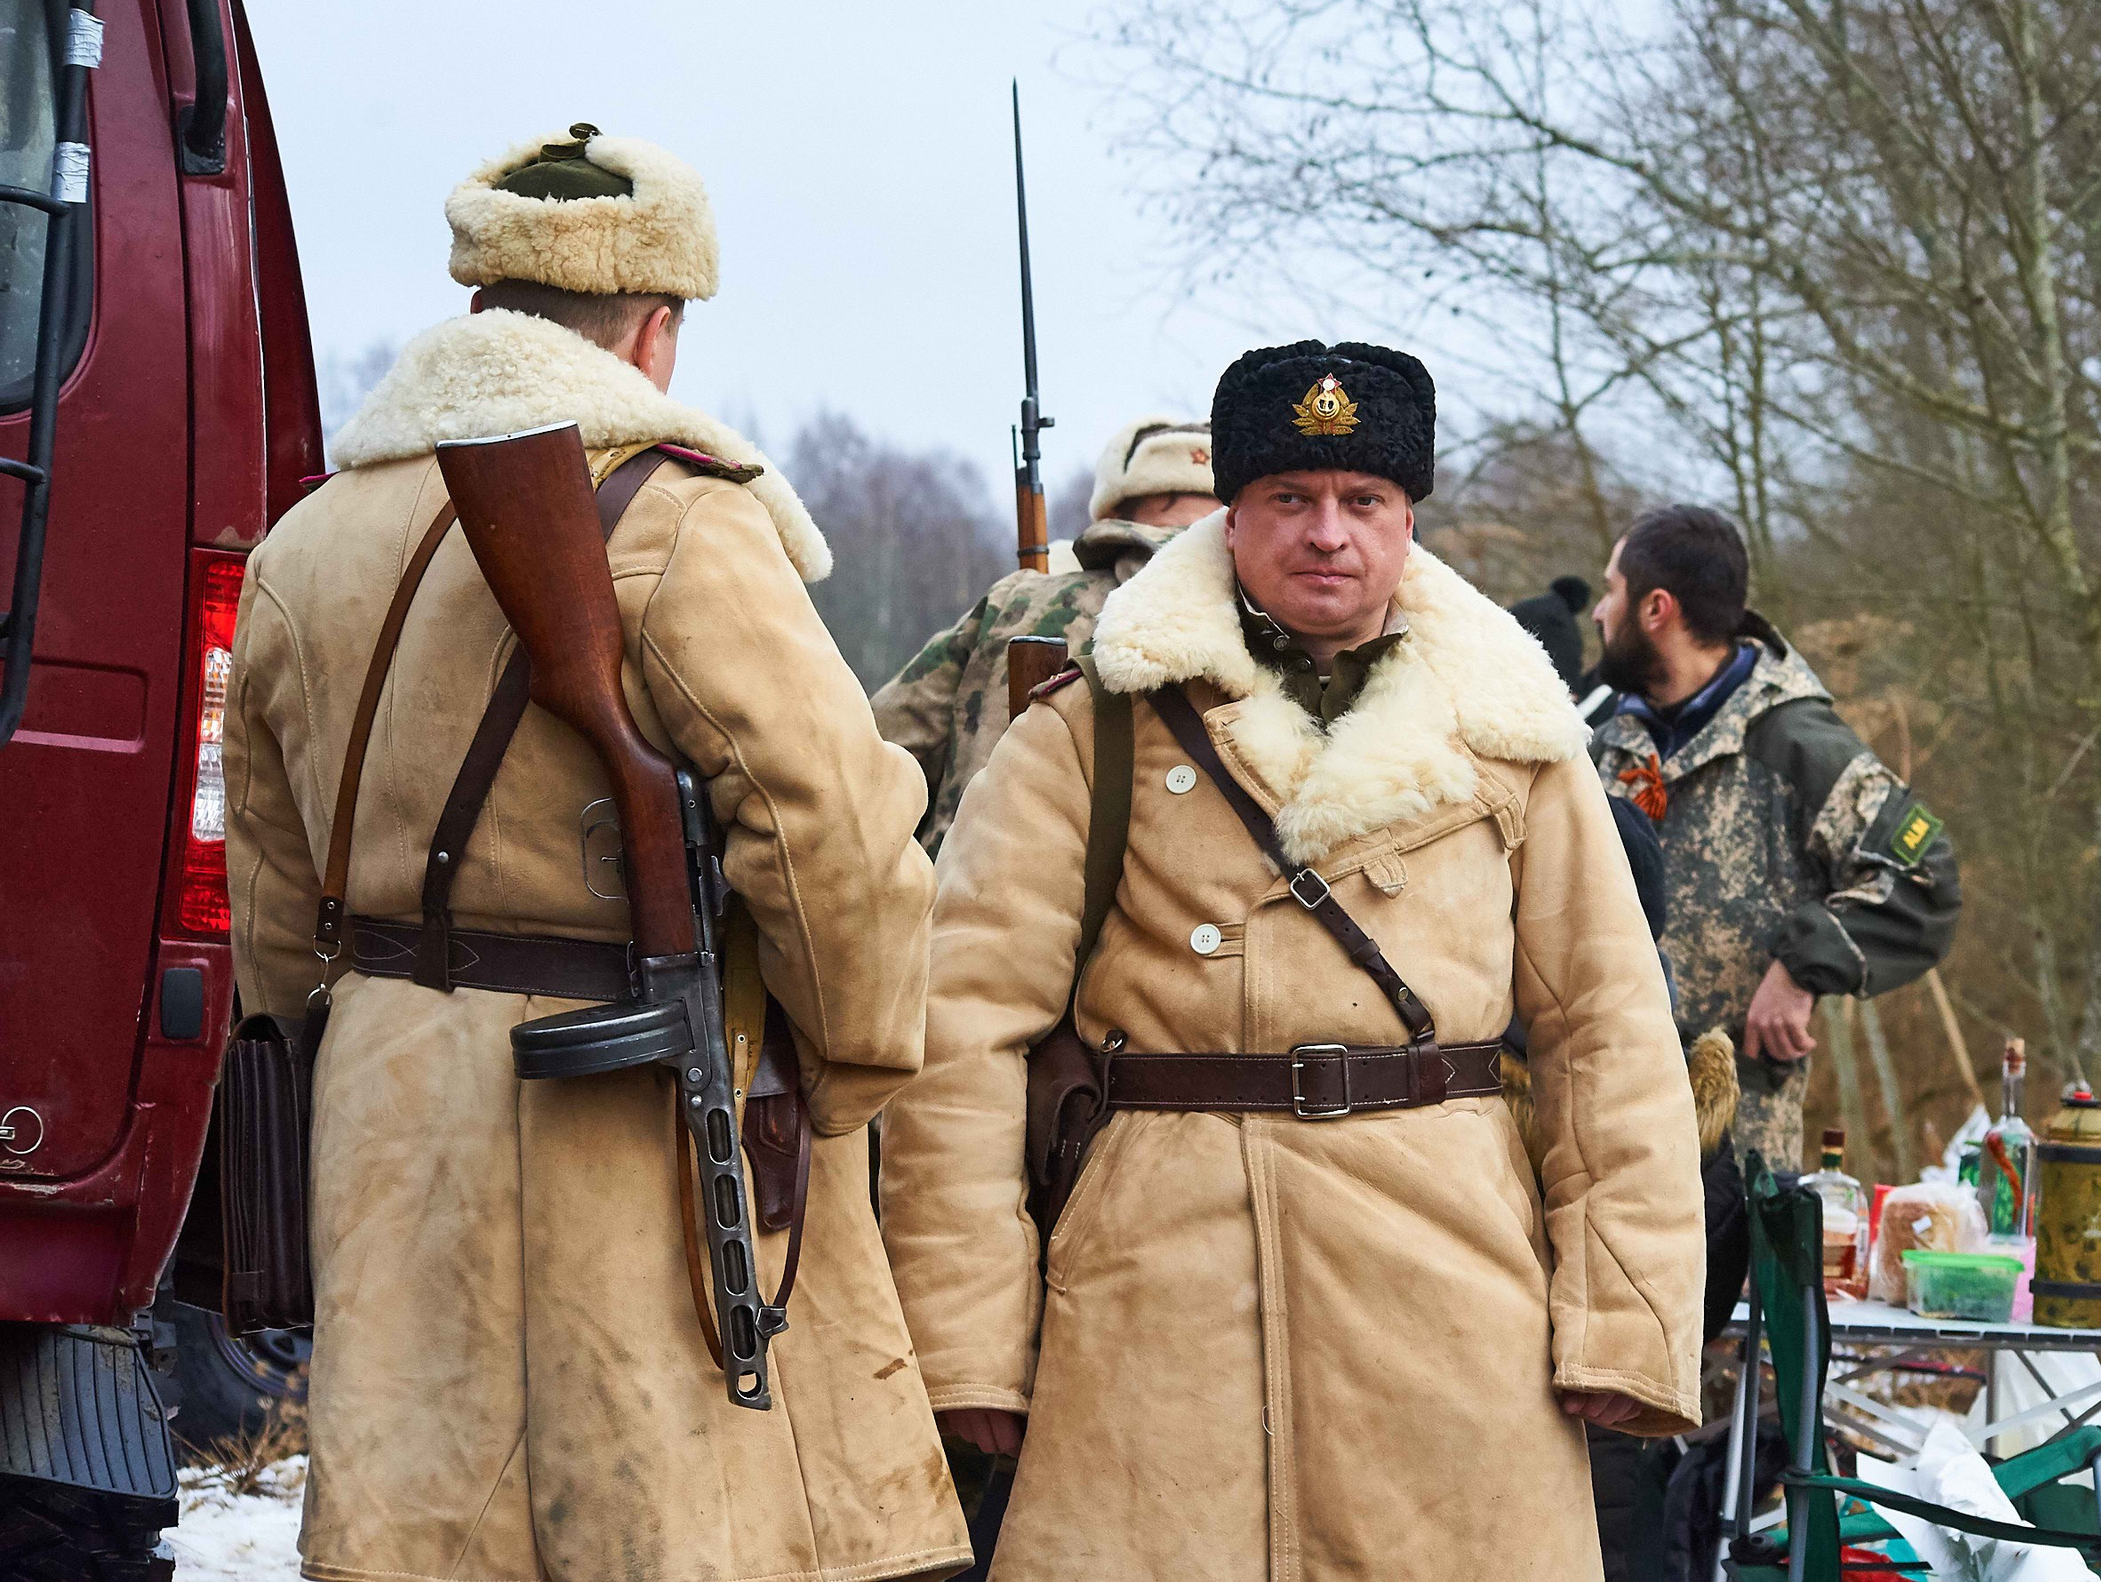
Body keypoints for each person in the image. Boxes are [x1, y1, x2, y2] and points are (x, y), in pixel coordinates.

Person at [223, 126, 969, 1582]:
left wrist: (350, 1048)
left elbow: (269, 887)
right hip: (632, 1104)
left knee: (430, 1542)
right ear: (656, 329)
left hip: (387, 1106)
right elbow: (830, 828)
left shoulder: (304, 542)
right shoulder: (683, 513)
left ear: (481, 301)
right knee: (667, 1528)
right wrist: (854, 1065)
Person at [878, 340, 1707, 1580]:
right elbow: (957, 1035)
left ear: (1405, 515)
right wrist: (968, 1335)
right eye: (1290, 499)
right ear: (1234, 511)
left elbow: (1607, 1028)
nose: (1329, 533)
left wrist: (1622, 1317)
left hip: (1451, 1283)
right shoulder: (1091, 724)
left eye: (1362, 501)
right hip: (1157, 1287)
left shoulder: (1513, 733)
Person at [1589, 504, 1961, 1174]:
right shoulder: (1599, 736)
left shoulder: (1795, 744)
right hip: (1594, 1129)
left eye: (1611, 589)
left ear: (1655, 610)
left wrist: (1802, 965)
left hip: (1732, 1152)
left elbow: (1923, 877)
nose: (1597, 611)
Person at [872, 415, 1221, 856]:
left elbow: (877, 753)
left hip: (957, 901)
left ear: (1111, 513)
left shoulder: (1014, 602)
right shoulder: (1277, 616)